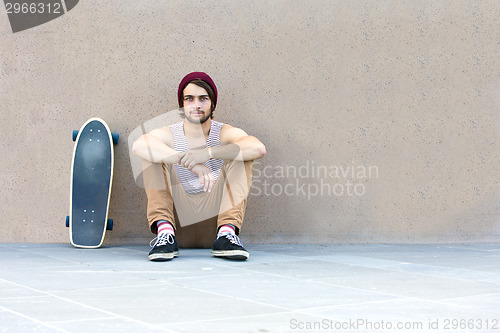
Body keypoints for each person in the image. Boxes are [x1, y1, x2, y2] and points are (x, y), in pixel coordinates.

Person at [132, 72, 266, 261]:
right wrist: (187, 161)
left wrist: (209, 153)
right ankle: (164, 234)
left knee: (241, 154)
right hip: (177, 226)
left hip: (215, 226)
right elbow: (139, 145)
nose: (196, 105)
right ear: (182, 104)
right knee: (153, 154)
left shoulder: (223, 132)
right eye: (189, 99)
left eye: (203, 98)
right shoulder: (171, 134)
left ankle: (227, 235)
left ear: (212, 103)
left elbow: (257, 148)